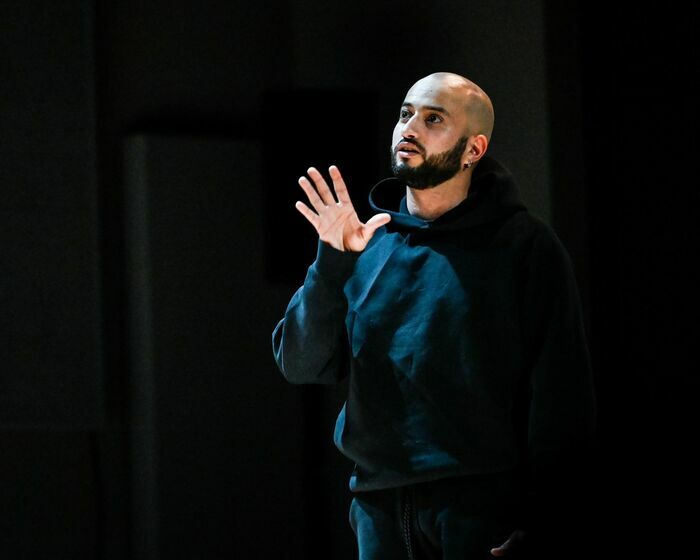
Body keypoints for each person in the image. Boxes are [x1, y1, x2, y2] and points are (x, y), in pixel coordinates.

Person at [272, 72, 596, 559]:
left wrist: (544, 520)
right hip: (379, 508)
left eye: (433, 119)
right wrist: (330, 262)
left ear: (473, 149)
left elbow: (561, 395)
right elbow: (301, 364)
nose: (410, 128)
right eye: (405, 114)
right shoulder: (367, 242)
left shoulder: (523, 247)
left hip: (480, 512)